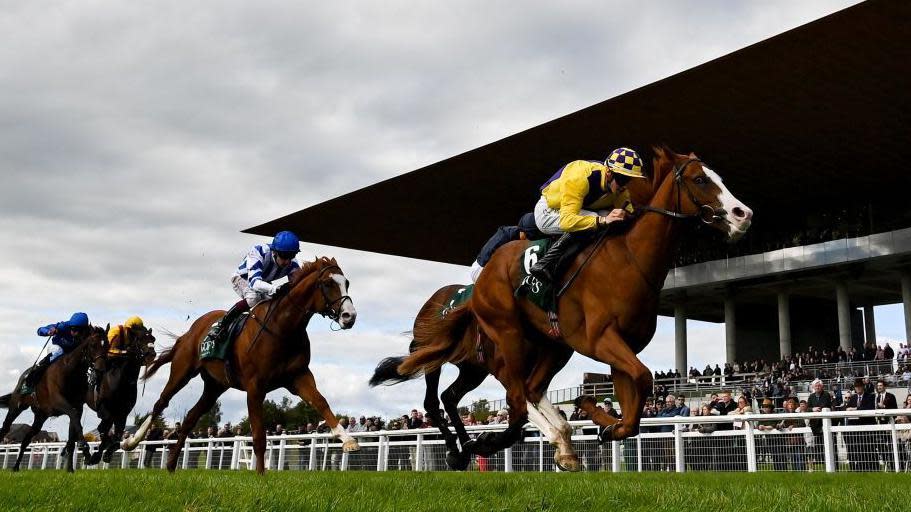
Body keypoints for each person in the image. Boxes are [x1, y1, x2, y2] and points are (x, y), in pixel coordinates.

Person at [522, 148, 645, 289]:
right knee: (598, 218)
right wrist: (602, 221)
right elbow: (568, 221)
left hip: (577, 210)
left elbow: (630, 214)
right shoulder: (579, 177)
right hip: (549, 211)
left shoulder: (620, 189)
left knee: (613, 216)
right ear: (609, 173)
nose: (624, 185)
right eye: (622, 179)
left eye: (628, 180)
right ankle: (544, 264)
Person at [212, 231, 302, 344]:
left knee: (276, 302)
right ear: (274, 252)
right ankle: (222, 324)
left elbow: (298, 287)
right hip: (242, 279)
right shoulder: (258, 252)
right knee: (253, 297)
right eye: (284, 256)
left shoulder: (292, 263)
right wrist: (275, 289)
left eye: (291, 256)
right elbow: (254, 283)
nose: (287, 261)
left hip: (264, 282)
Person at [23, 312, 91, 390]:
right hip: (57, 348)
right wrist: (48, 331)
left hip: (72, 354)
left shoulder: (88, 331)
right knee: (58, 351)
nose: (75, 333)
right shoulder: (63, 326)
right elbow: (40, 330)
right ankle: (33, 376)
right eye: (73, 329)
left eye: (79, 330)